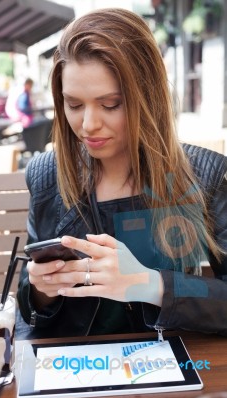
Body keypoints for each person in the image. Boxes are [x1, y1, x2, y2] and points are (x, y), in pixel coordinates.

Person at [16, 8, 227, 340]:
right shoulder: (47, 176)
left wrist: (147, 283)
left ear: (147, 97)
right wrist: (43, 289)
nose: (88, 125)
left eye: (110, 104)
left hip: (177, 370)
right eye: (73, 105)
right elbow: (29, 313)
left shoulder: (204, 175)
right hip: (76, 374)